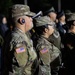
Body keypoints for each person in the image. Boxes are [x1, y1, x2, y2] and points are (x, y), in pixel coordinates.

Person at [2, 4, 38, 75]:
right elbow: (17, 71)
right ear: (22, 20)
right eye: (29, 17)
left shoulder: (20, 35)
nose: (31, 19)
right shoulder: (19, 41)